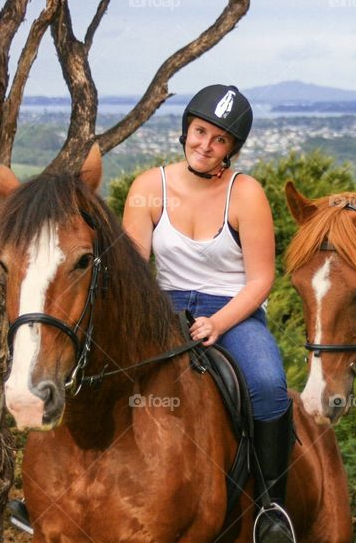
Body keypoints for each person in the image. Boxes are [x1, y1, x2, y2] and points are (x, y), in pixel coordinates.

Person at [122, 84, 295, 543]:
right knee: (99, 363)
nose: (206, 145)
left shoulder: (247, 193)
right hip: (161, 306)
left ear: (231, 149)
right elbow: (134, 271)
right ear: (186, 131)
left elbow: (261, 279)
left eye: (220, 140)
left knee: (267, 384)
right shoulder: (148, 188)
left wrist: (220, 323)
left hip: (232, 311)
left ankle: (271, 508)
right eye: (200, 132)